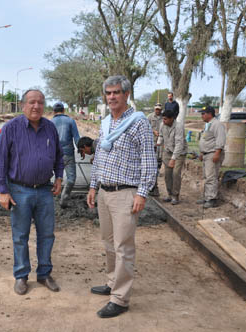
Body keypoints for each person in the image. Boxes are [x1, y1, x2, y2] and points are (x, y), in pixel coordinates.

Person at [87, 75, 156, 318]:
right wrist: (94, 185)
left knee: (123, 246)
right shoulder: (105, 123)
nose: (112, 97)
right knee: (108, 242)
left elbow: (149, 159)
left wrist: (142, 192)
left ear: (126, 94)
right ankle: (112, 282)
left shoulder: (139, 123)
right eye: (108, 93)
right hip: (105, 192)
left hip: (126, 193)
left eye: (116, 92)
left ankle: (120, 298)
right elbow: (99, 157)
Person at [0, 89, 64, 296]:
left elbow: (59, 155)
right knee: (20, 236)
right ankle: (21, 276)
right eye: (32, 102)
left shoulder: (50, 128)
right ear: (23, 105)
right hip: (19, 190)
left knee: (47, 235)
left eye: (40, 103)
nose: (36, 106)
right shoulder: (11, 128)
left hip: (44, 190)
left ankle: (44, 274)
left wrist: (59, 176)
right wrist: (2, 191)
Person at [51, 102, 80, 208]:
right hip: (68, 154)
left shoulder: (50, 122)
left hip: (53, 155)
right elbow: (77, 139)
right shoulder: (70, 121)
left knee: (53, 177)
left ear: (54, 111)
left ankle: (51, 197)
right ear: (63, 110)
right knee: (71, 178)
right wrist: (82, 150)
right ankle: (64, 197)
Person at [197, 106, 226, 208]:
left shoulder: (217, 124)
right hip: (206, 154)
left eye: (203, 113)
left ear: (210, 114)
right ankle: (207, 197)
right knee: (206, 176)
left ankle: (212, 199)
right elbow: (205, 139)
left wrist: (217, 153)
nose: (202, 115)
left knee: (211, 177)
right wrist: (201, 153)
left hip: (212, 153)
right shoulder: (207, 125)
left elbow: (220, 140)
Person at [157, 109, 188, 205]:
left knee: (175, 174)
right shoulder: (163, 125)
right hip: (168, 151)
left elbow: (179, 144)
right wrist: (158, 143)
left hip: (179, 153)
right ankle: (169, 194)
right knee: (167, 174)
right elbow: (161, 136)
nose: (163, 121)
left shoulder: (179, 127)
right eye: (163, 119)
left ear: (172, 119)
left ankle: (175, 196)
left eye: (166, 119)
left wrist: (173, 159)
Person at [147, 103, 163, 196]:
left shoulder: (163, 117)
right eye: (156, 109)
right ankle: (153, 187)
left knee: (158, 164)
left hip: (161, 144)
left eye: (159, 109)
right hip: (151, 143)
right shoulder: (149, 117)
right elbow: (145, 127)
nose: (158, 111)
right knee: (152, 165)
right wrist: (153, 131)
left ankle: (154, 187)